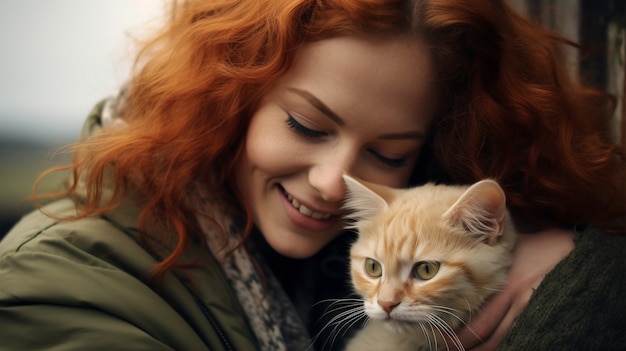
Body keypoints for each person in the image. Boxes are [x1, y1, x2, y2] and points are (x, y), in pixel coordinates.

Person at [1, 0, 625, 350]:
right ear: (229, 96)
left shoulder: (391, 231)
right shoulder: (49, 287)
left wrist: (568, 261)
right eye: (305, 124)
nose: (334, 183)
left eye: (389, 153)